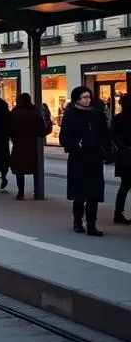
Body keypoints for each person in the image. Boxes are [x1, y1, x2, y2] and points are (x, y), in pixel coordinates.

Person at [59, 85, 112, 236]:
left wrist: (108, 150)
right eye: (84, 97)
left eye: (88, 97)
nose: (87, 100)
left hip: (94, 158)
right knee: (80, 193)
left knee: (94, 194)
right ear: (77, 99)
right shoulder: (71, 115)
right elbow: (64, 138)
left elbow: (105, 135)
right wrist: (76, 144)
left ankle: (92, 225)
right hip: (78, 159)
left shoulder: (97, 114)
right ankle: (77, 221)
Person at [8, 93, 48, 200]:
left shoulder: (15, 112)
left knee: (19, 170)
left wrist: (14, 137)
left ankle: (20, 192)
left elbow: (10, 129)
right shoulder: (35, 112)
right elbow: (42, 130)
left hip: (19, 145)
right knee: (34, 167)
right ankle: (37, 190)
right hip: (32, 145)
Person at [110, 93, 131, 225]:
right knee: (125, 186)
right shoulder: (119, 119)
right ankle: (119, 213)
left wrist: (123, 147)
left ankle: (119, 213)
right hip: (126, 154)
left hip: (124, 155)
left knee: (125, 186)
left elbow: (113, 136)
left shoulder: (117, 118)